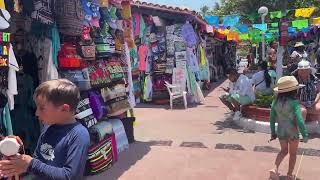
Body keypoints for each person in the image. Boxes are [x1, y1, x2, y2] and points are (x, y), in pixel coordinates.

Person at [0, 79, 90, 180]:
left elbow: (70, 176)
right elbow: (38, 160)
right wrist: (18, 155)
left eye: (42, 108)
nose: (36, 113)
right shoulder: (48, 128)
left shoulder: (79, 135)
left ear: (64, 109)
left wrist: (30, 164)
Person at [269, 76, 308, 180]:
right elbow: (300, 120)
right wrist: (304, 135)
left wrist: (273, 133)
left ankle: (274, 168)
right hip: (292, 132)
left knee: (283, 151)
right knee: (293, 154)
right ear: (294, 90)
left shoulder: (275, 102)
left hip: (281, 131)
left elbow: (272, 119)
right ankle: (289, 175)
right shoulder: (295, 103)